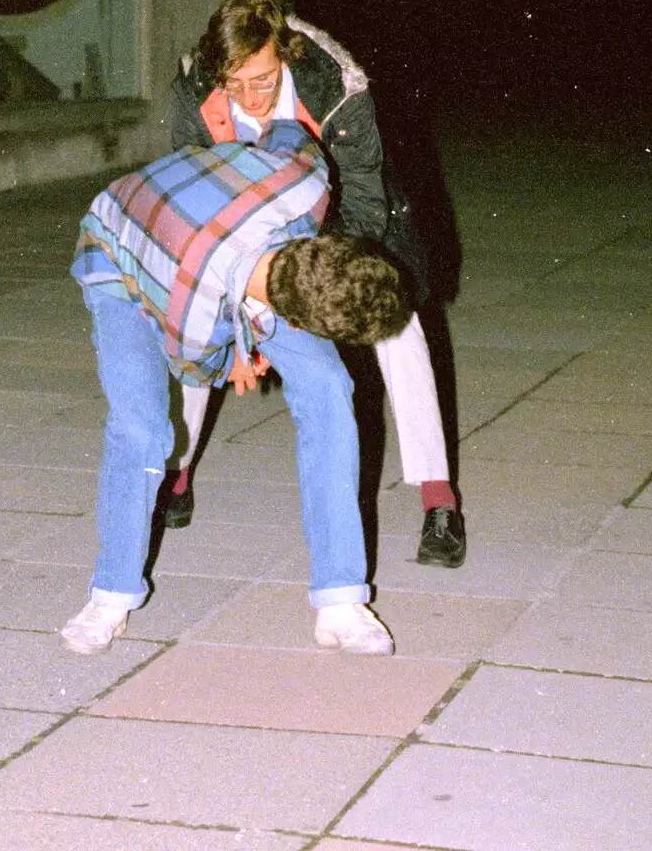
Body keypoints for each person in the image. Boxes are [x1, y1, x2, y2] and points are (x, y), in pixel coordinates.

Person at [63, 117, 408, 655]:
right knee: (143, 427)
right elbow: (196, 366)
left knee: (328, 385)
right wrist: (237, 355)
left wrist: (228, 173)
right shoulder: (194, 318)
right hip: (119, 250)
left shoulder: (307, 185)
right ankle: (110, 595)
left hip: (219, 244)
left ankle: (341, 601)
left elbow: (289, 131)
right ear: (292, 318)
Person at [165, 0, 465, 568]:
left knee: (399, 331)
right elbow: (192, 193)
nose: (249, 98)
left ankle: (438, 499)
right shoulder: (195, 89)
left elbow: (363, 202)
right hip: (243, 225)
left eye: (262, 81)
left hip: (341, 222)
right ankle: (177, 474)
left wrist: (317, 286)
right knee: (193, 319)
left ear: (286, 54)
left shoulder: (337, 92)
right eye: (235, 84)